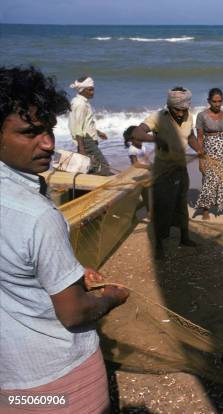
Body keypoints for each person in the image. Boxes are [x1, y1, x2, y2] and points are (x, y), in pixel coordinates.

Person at [0, 66, 129, 413]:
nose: (47, 143)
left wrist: (62, 271)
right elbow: (73, 314)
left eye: (48, 130)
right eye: (29, 133)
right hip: (57, 378)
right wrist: (111, 298)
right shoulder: (38, 216)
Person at [132, 87, 198, 259]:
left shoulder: (189, 116)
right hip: (163, 169)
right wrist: (156, 138)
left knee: (181, 202)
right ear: (169, 106)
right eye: (176, 109)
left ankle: (184, 237)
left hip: (180, 166)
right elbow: (137, 133)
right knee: (163, 206)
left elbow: (190, 137)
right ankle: (159, 245)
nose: (180, 113)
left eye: (183, 110)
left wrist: (202, 150)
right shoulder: (158, 117)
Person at [192, 88, 223, 220]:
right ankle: (206, 209)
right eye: (214, 101)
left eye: (220, 101)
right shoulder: (202, 116)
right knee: (209, 179)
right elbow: (199, 139)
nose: (217, 104)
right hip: (209, 151)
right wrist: (200, 160)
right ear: (209, 101)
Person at [68, 76, 112, 175]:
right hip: (85, 140)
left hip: (86, 139)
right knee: (104, 167)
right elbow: (78, 128)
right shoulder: (80, 104)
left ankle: (85, 188)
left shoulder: (80, 101)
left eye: (93, 89)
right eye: (90, 90)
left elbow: (85, 123)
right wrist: (82, 149)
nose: (92, 92)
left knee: (92, 167)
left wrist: (98, 132)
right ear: (82, 90)